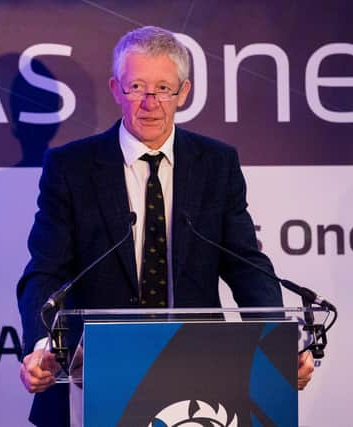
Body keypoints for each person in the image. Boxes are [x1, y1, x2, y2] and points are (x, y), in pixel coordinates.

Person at [16, 25, 314, 426]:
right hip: (96, 378)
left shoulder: (216, 164)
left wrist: (279, 342)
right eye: (136, 87)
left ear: (184, 93)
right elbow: (45, 271)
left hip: (199, 376)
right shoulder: (71, 167)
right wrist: (42, 345)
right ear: (116, 89)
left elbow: (246, 265)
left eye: (163, 89)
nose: (150, 103)